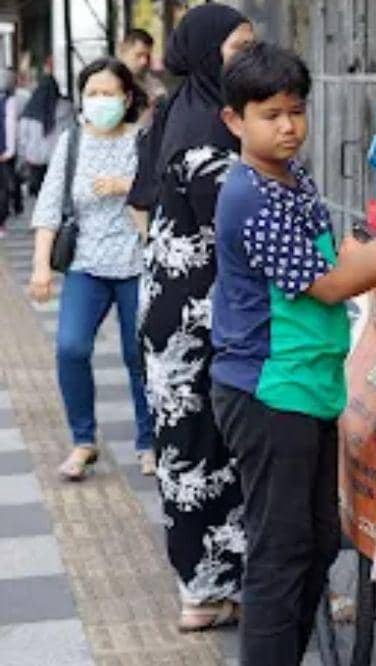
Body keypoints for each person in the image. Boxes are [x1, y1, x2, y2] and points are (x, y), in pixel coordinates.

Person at [211, 42, 376, 665]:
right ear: (235, 121)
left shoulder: (292, 177)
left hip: (306, 384)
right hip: (267, 393)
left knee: (314, 540)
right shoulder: (250, 196)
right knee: (280, 550)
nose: (287, 127)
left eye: (296, 111)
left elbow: (333, 256)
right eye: (270, 115)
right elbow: (331, 284)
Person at [137, 3, 254, 632]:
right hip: (201, 316)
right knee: (205, 450)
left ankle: (206, 588)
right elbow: (237, 232)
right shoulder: (209, 130)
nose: (249, 59)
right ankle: (209, 593)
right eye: (238, 48)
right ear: (209, 52)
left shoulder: (175, 112)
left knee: (190, 448)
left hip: (169, 308)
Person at [26, 58, 153, 480]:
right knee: (70, 348)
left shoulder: (143, 140)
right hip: (86, 264)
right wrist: (41, 267)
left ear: (127, 97)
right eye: (92, 93)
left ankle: (149, 441)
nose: (99, 101)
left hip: (136, 261)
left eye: (108, 93)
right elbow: (49, 206)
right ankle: (83, 440)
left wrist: (127, 187)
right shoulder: (73, 142)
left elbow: (166, 197)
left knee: (139, 354)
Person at [18, 73, 74, 196]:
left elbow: (23, 137)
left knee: (40, 192)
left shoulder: (31, 107)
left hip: (34, 157)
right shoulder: (66, 107)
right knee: (57, 191)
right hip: (58, 156)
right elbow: (71, 133)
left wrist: (23, 155)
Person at [118, 28, 168, 123]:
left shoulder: (151, 83)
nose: (144, 62)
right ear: (122, 50)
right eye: (139, 55)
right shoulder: (106, 81)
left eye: (147, 56)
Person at [0, 69, 18, 237]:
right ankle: (1, 224)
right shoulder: (9, 101)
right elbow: (10, 125)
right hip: (3, 152)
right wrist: (10, 150)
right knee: (3, 188)